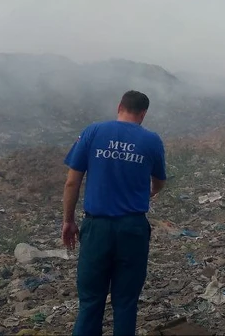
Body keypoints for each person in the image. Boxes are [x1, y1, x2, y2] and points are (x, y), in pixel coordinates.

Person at [61, 90, 167, 336]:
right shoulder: (151, 140)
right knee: (126, 302)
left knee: (90, 302)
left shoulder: (93, 132)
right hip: (133, 229)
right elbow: (160, 182)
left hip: (97, 228)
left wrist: (68, 220)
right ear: (143, 114)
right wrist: (146, 194)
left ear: (119, 106)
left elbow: (71, 182)